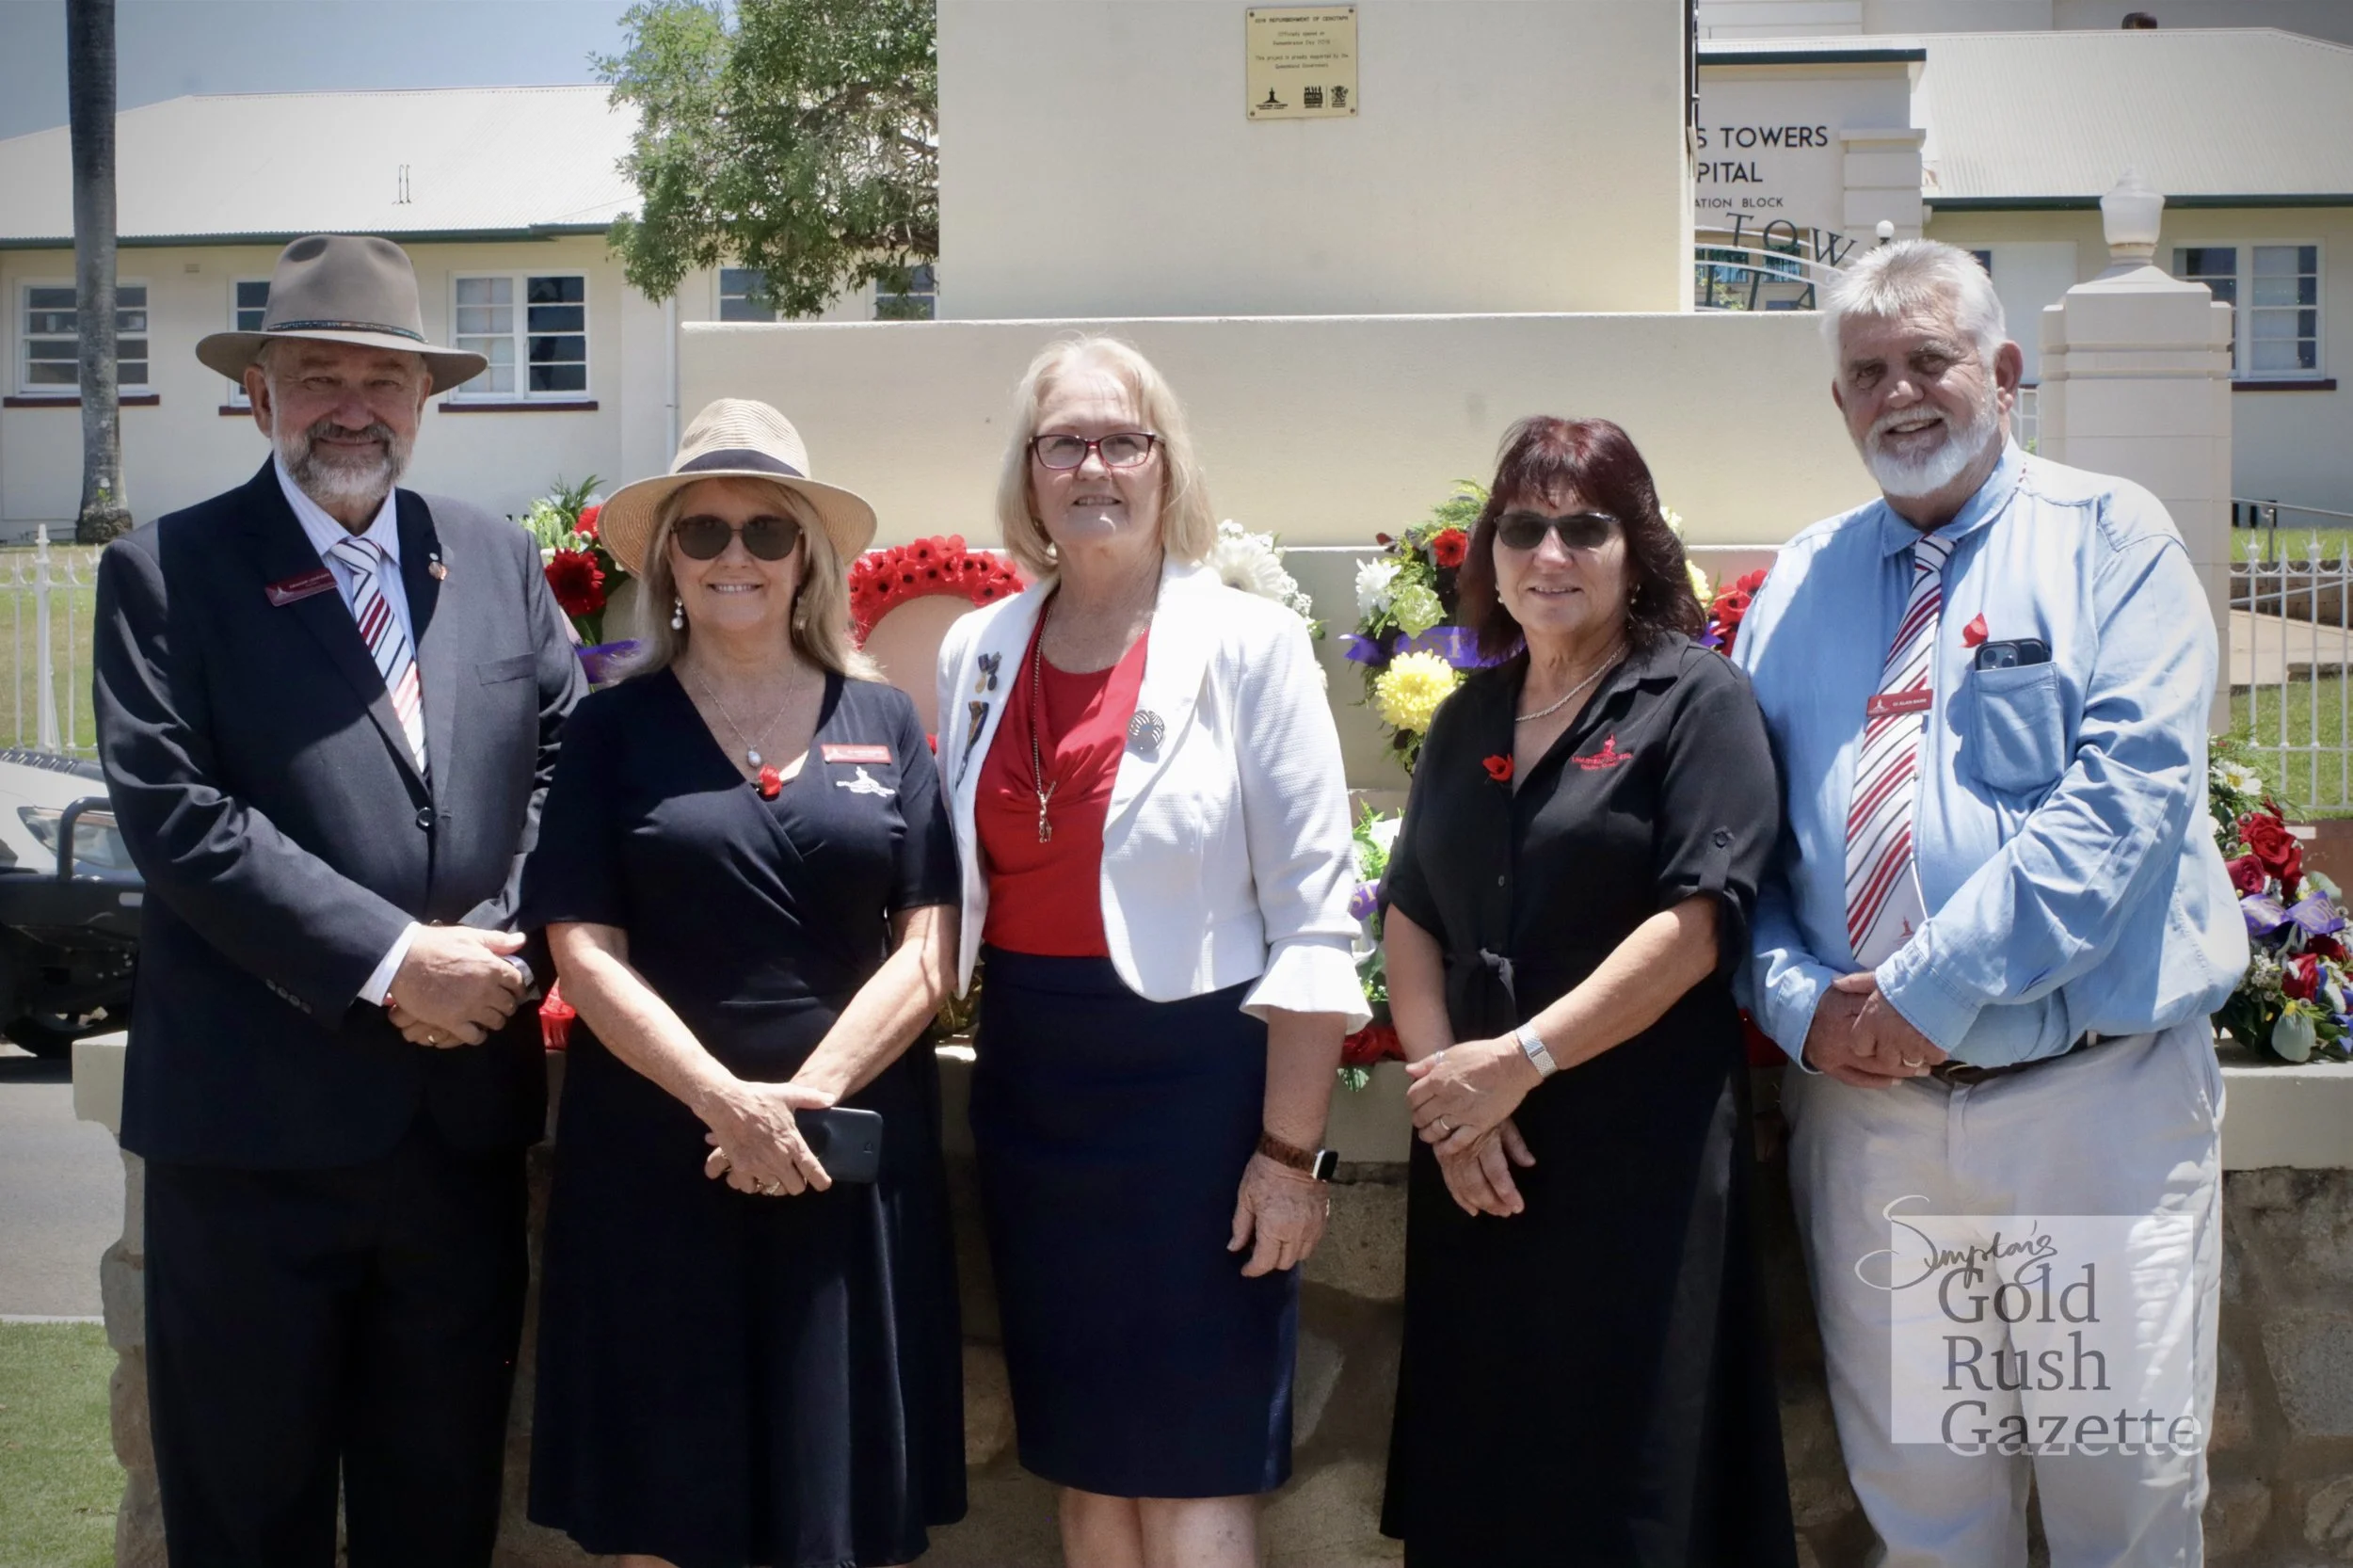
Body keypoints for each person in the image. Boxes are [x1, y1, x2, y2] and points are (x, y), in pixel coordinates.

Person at [1735, 239, 2247, 1565]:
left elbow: (2121, 803)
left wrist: (1921, 989)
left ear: (2003, 373)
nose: (1899, 394)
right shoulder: (1793, 587)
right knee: (1929, 1516)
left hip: (2087, 1115)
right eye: (1867, 373)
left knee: (2116, 1514)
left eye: (1929, 360)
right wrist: (1801, 1005)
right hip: (1877, 1136)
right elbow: (1741, 848)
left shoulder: (2110, 540)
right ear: (1839, 404)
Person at [91, 233, 583, 1567]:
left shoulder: (493, 561)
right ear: (259, 391)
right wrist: (392, 961)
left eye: (385, 376)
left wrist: (489, 949)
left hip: (456, 1148)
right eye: (318, 375)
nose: (353, 405)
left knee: (439, 1510)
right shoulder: (164, 573)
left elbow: (568, 767)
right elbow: (179, 819)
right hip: (249, 1148)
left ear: (425, 400)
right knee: (248, 1521)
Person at [934, 335, 1366, 1568]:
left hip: (1199, 1096)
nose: (1094, 465)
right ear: (1030, 473)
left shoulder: (1249, 644)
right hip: (1033, 1084)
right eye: (1063, 441)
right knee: (1084, 1467)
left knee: (1190, 1466)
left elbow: (1316, 917)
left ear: (1167, 467)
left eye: (1124, 439)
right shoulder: (980, 652)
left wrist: (1289, 1152)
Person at [519, 399, 966, 1568]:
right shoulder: (611, 732)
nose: (735, 556)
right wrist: (728, 1102)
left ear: (807, 556)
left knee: (834, 1502)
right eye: (703, 530)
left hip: (843, 1152)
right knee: (663, 1499)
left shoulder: (885, 719)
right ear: (666, 554)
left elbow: (927, 947)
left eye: (767, 530)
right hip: (660, 1151)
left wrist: (798, 1103)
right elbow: (580, 947)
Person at [1376, 416, 1797, 1567]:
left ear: (1637, 547)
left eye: (1583, 526)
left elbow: (1697, 924)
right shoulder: (1467, 717)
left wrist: (1515, 1063)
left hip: (1633, 1173)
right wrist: (1443, 1098)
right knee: (1487, 1489)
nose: (1548, 552)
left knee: (1631, 1499)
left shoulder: (1696, 701)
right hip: (1480, 1169)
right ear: (1490, 554)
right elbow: (1410, 910)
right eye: (1522, 527)